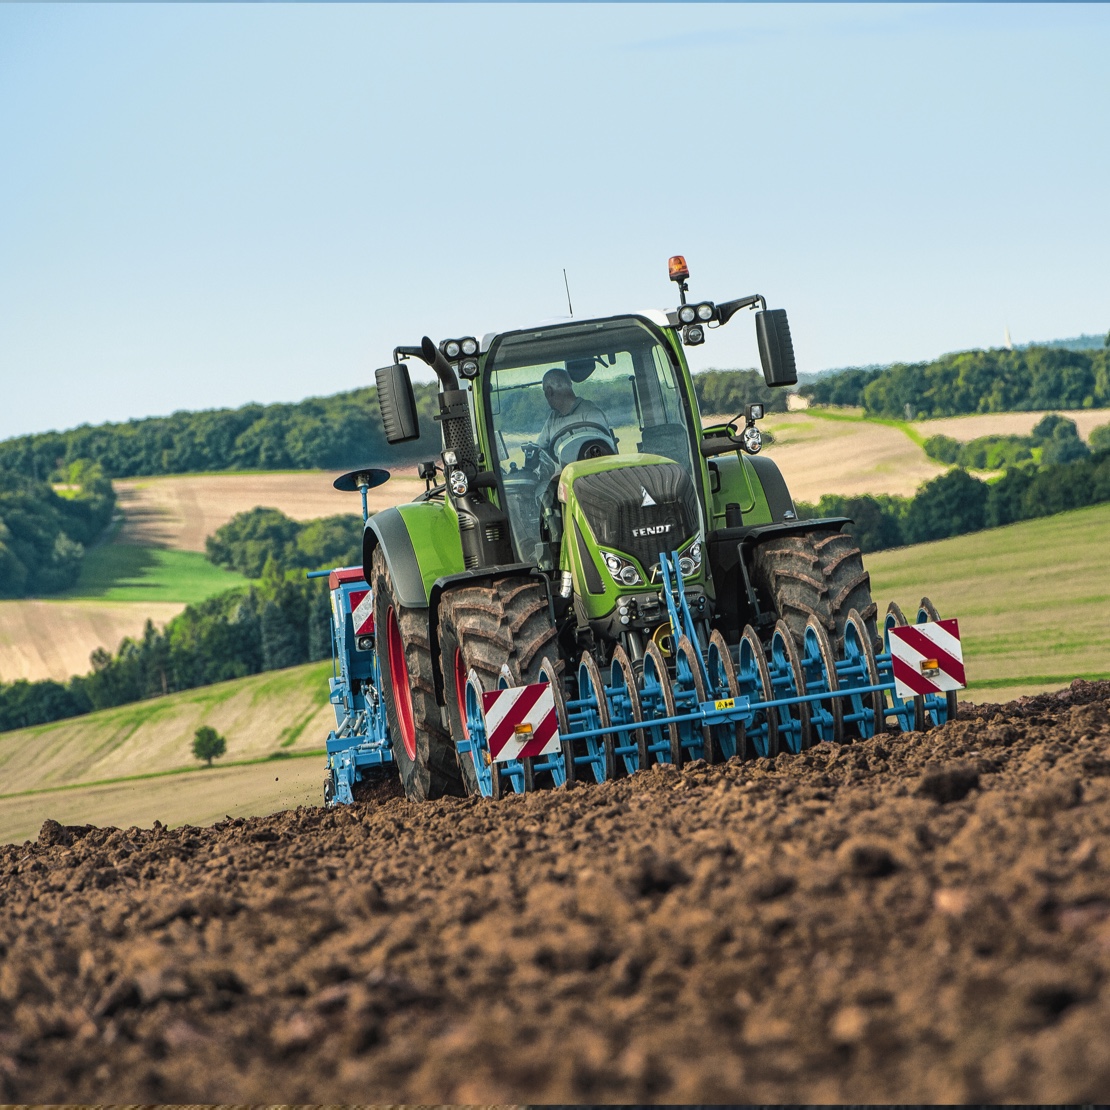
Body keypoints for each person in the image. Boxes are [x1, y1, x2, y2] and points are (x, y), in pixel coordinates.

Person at [536, 367, 613, 458]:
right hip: (563, 472)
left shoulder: (590, 412)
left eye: (545, 392)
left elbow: (602, 448)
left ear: (549, 392)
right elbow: (539, 449)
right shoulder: (553, 419)